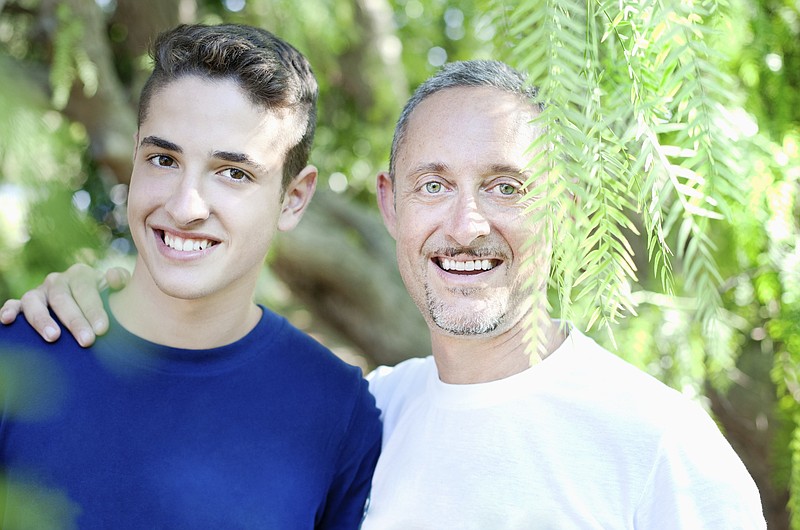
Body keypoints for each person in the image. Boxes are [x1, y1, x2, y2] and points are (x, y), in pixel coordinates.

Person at [3, 61, 766, 528]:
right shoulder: (367, 417)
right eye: (434, 186)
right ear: (392, 207)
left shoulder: (659, 443)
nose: (466, 225)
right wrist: (107, 291)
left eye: (505, 187)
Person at [0, 23, 381, 529]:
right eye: (164, 159)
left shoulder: (339, 411)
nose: (185, 207)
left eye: (233, 173)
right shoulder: (18, 355)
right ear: (135, 156)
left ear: (294, 198)